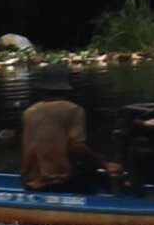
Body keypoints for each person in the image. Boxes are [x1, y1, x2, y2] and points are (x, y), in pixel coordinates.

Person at [20, 64, 119, 194]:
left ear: (42, 90)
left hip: (29, 183)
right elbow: (77, 147)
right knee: (100, 178)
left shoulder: (29, 112)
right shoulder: (73, 110)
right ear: (66, 90)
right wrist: (104, 165)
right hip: (59, 183)